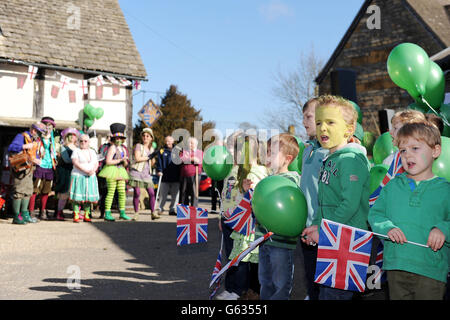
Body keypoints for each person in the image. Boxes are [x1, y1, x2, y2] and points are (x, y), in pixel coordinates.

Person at [368, 121, 449, 300]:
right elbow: (375, 214)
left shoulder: (445, 190)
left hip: (431, 270)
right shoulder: (392, 187)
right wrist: (387, 228)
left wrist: (443, 229)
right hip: (396, 265)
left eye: (415, 148)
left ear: (435, 151)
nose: (407, 155)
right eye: (403, 151)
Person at [301, 95, 371, 300]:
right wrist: (315, 225)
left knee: (335, 295)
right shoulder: (328, 159)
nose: (323, 128)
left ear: (349, 129)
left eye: (331, 122)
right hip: (331, 238)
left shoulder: (350, 160)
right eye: (319, 122)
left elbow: (349, 204)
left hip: (347, 242)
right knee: (325, 292)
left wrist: (322, 230)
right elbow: (322, 202)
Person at [216, 131, 269, 300]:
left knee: (243, 257)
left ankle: (240, 290)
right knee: (231, 255)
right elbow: (225, 194)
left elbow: (257, 198)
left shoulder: (258, 172)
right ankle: (232, 288)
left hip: (245, 222)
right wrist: (221, 216)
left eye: (237, 150)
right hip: (229, 219)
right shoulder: (232, 170)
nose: (233, 153)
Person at [256, 133, 301, 300]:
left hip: (282, 242)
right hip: (263, 239)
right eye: (267, 151)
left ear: (287, 159)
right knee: (265, 281)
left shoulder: (292, 180)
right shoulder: (267, 180)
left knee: (280, 284)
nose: (267, 156)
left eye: (272, 153)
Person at [299, 97, 328, 300]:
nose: (304, 122)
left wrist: (319, 224)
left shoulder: (329, 153)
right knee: (310, 277)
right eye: (303, 118)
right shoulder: (307, 149)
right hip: (306, 226)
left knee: (325, 283)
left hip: (323, 229)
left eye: (308, 116)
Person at [369, 110, 426, 207]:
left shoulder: (408, 158)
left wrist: (370, 205)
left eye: (395, 128)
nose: (390, 132)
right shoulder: (399, 156)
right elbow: (385, 188)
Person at [7, 122, 46, 224]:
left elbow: (33, 154)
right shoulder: (21, 136)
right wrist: (24, 146)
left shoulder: (35, 140)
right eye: (39, 132)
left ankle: (25, 214)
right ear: (33, 130)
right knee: (19, 192)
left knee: (28, 191)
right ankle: (16, 217)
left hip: (29, 169)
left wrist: (37, 160)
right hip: (20, 169)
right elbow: (11, 148)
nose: (40, 135)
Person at [98, 123, 131, 221]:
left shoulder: (123, 149)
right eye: (117, 138)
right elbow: (108, 161)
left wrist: (125, 161)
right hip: (111, 170)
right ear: (113, 139)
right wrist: (120, 160)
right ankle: (107, 213)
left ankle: (122, 212)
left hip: (120, 171)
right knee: (111, 192)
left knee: (121, 192)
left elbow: (124, 163)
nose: (119, 140)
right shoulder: (112, 148)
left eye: (120, 138)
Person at [29, 116, 58, 220]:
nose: (48, 128)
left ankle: (42, 211)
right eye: (46, 126)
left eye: (50, 127)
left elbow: (53, 151)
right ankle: (31, 211)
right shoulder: (38, 138)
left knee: (46, 191)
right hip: (39, 165)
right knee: (35, 189)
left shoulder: (52, 139)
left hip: (49, 166)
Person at [129, 127, 160, 221]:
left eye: (148, 136)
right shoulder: (139, 146)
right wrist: (149, 157)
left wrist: (154, 156)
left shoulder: (152, 149)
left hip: (146, 174)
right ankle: (136, 213)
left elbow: (152, 163)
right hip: (137, 173)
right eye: (144, 135)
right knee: (137, 193)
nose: (145, 137)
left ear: (151, 138)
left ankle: (153, 212)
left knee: (151, 193)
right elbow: (137, 158)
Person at [69, 134, 100, 223]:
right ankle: (76, 214)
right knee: (76, 197)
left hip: (90, 176)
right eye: (81, 141)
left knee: (88, 197)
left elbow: (96, 163)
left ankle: (87, 214)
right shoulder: (76, 150)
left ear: (89, 142)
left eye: (85, 141)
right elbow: (75, 162)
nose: (83, 142)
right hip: (78, 175)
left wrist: (93, 170)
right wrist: (85, 170)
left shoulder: (92, 151)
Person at [54, 128, 79, 221]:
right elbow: (67, 160)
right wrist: (78, 161)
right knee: (64, 192)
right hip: (65, 172)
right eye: (71, 135)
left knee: (75, 192)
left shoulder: (78, 147)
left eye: (74, 135)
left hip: (75, 171)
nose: (73, 137)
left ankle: (76, 212)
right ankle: (59, 212)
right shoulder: (63, 147)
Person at [156, 135, 181, 216]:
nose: (167, 143)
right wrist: (159, 170)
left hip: (176, 176)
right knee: (163, 195)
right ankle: (160, 208)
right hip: (164, 177)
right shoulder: (162, 151)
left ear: (173, 141)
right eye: (166, 141)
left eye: (169, 141)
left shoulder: (177, 150)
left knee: (175, 195)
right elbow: (159, 162)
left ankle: (172, 209)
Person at [179, 137, 203, 207]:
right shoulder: (184, 151)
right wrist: (193, 159)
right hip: (184, 175)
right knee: (183, 192)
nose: (190, 144)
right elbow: (182, 159)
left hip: (195, 175)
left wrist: (188, 159)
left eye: (191, 143)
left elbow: (199, 161)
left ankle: (194, 209)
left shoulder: (200, 152)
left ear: (196, 144)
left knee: (194, 193)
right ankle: (183, 209)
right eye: (189, 143)